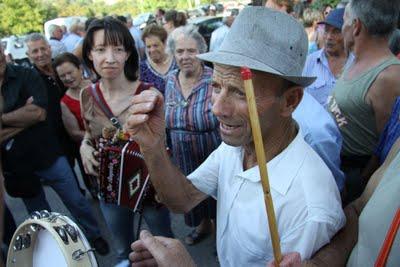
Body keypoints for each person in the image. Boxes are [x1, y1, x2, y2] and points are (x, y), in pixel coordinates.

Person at [126, 7, 345, 266]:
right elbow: (183, 198)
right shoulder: (240, 143)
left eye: (241, 93)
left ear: (290, 101)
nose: (217, 108)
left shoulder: (310, 206)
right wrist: (152, 145)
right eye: (216, 87)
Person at [80, 17, 174, 267]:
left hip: (150, 184)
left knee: (164, 247)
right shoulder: (87, 95)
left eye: (118, 49)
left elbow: (164, 144)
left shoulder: (149, 93)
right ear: (90, 54)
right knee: (124, 252)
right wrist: (84, 147)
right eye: (100, 49)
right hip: (110, 187)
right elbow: (89, 135)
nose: (109, 58)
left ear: (128, 53)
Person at [1, 39, 109, 255]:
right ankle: (58, 252)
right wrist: (24, 115)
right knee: (40, 216)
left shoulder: (25, 75)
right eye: (35, 50)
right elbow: (32, 116)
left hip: (48, 154)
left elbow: (39, 114)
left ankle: (94, 236)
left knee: (77, 201)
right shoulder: (31, 74)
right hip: (17, 166)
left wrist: (4, 119)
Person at [328, 0, 400, 202]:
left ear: (356, 26)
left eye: (344, 21)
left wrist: (360, 189)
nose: (342, 29)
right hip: (337, 169)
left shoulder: (389, 75)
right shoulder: (355, 61)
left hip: (354, 181)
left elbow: (387, 150)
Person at [164, 25, 220, 245]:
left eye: (191, 50)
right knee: (192, 196)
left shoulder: (214, 79)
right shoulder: (170, 80)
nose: (185, 56)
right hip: (182, 155)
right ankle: (204, 226)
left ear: (201, 52)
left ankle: (221, 236)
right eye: (180, 51)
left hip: (211, 151)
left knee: (218, 199)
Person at [52, 52, 98, 199]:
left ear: (79, 68)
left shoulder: (99, 86)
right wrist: (97, 134)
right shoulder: (64, 103)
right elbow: (73, 133)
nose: (68, 78)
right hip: (92, 149)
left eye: (70, 72)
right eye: (62, 76)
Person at [303, 8, 353, 108]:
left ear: (347, 33)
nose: (329, 37)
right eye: (326, 30)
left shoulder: (357, 63)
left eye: (336, 32)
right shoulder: (310, 62)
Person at [139, 24, 177, 95]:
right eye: (148, 46)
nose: (152, 50)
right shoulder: (142, 69)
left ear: (164, 43)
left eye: (155, 45)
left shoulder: (177, 62)